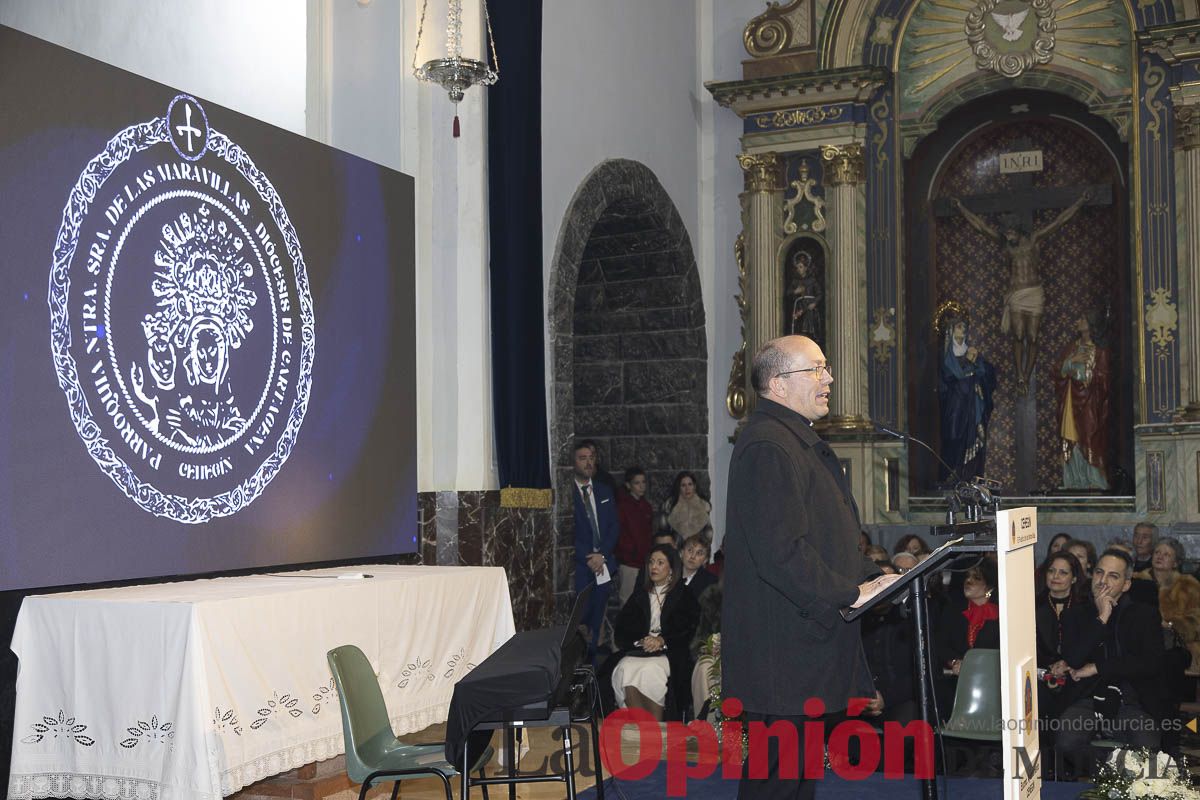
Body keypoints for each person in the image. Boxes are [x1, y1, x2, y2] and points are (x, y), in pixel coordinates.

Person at [723, 335, 900, 799]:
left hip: (803, 653)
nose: (830, 379)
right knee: (775, 788)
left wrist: (870, 576)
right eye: (816, 370)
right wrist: (849, 594)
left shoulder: (793, 440)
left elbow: (825, 539)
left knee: (797, 786)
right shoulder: (769, 446)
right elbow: (781, 553)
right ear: (779, 384)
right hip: (782, 659)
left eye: (826, 369)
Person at [950, 191, 1089, 394]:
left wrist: (1079, 202)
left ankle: (1027, 371)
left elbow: (1059, 222)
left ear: (1017, 229)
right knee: (1018, 335)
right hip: (1016, 294)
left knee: (1032, 337)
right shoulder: (1006, 245)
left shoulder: (1033, 240)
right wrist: (961, 208)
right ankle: (1020, 376)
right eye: (1005, 233)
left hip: (1034, 292)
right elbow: (980, 226)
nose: (1007, 236)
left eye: (1010, 233)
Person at [1058, 550, 1168, 773]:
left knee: (1148, 746)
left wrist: (1098, 667)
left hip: (1132, 699)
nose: (1103, 581)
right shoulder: (1074, 615)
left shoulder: (1144, 615)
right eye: (1099, 572)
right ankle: (1115, 774)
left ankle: (1121, 778)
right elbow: (1074, 659)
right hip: (1086, 697)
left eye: (1113, 576)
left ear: (1126, 584)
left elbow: (1149, 663)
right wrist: (1101, 619)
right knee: (1066, 743)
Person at [603, 544, 700, 721]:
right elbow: (622, 629)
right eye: (651, 562)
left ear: (671, 569)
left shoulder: (683, 594)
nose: (654, 567)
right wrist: (641, 641)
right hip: (640, 650)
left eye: (660, 562)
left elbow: (687, 628)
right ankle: (645, 726)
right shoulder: (640, 594)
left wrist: (662, 640)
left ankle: (656, 725)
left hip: (670, 652)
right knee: (625, 669)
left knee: (650, 671)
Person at [1132, 537, 1200, 701]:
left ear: (1176, 563)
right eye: (1157, 552)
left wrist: (1171, 624)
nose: (1160, 557)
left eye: (1167, 554)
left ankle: (1171, 713)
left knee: (1170, 661)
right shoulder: (1135, 581)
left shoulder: (1187, 585)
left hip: (1179, 644)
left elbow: (1197, 620)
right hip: (1140, 641)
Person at [571, 440, 620, 658]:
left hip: (604, 564)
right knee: (580, 621)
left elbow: (614, 526)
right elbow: (567, 531)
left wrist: (603, 555)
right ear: (573, 462)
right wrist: (588, 557)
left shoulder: (603, 489)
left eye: (591, 457)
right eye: (583, 458)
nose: (588, 462)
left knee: (598, 620)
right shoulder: (568, 493)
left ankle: (593, 666)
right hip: (581, 568)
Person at [937, 316, 996, 484]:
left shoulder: (972, 352)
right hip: (955, 406)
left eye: (964, 327)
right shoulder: (946, 356)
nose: (963, 330)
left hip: (972, 406)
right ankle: (951, 476)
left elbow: (988, 376)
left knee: (974, 438)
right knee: (954, 436)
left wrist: (978, 367)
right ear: (951, 330)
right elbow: (948, 377)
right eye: (959, 327)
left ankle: (971, 477)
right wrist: (968, 364)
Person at [1057, 312, 1112, 490]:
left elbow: (1104, 381)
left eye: (1082, 318)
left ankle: (1093, 479)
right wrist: (1070, 363)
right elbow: (1057, 371)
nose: (1078, 321)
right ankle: (1073, 480)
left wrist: (1085, 375)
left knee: (1089, 436)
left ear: (1091, 324)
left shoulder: (1099, 351)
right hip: (1070, 399)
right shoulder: (1071, 349)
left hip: (1089, 403)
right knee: (1070, 436)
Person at [1034, 551, 1087, 720]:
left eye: (1063, 572)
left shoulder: (1085, 607)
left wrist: (1068, 665)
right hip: (1041, 675)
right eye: (1051, 571)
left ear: (1074, 578)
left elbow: (1088, 645)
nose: (1055, 576)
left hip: (1075, 673)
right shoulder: (1033, 604)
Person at [616, 467, 655, 606]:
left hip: (645, 561)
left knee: (645, 600)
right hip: (630, 562)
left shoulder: (646, 506)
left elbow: (649, 533)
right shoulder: (623, 506)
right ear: (628, 485)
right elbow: (619, 534)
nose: (641, 486)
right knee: (627, 600)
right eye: (637, 483)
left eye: (643, 482)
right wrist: (630, 552)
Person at [663, 471, 712, 541]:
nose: (687, 488)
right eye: (683, 485)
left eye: (690, 484)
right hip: (675, 549)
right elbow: (664, 532)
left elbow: (708, 532)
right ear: (679, 487)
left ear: (694, 486)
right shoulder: (670, 506)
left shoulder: (702, 506)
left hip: (697, 548)